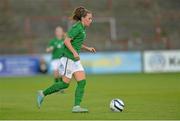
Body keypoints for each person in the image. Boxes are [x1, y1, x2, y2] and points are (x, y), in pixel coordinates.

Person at [37, 6, 96, 113]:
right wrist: (74, 52)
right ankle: (43, 93)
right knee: (65, 84)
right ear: (83, 18)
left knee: (82, 82)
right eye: (89, 18)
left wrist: (87, 48)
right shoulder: (77, 27)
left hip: (74, 59)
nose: (91, 20)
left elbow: (76, 42)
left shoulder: (82, 28)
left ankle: (76, 107)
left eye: (91, 18)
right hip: (69, 58)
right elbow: (67, 41)